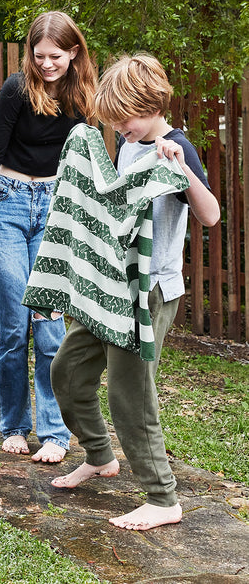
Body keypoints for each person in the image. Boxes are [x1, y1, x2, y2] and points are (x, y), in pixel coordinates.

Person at [49, 53, 220, 530]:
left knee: (130, 391)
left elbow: (210, 216)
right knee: (67, 372)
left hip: (151, 291)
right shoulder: (127, 144)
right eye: (113, 120)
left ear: (151, 104)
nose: (119, 127)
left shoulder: (174, 146)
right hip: (110, 284)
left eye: (124, 118)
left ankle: (163, 499)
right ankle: (100, 456)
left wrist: (182, 169)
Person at [0, 11, 95, 463]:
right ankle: (15, 426)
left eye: (55, 56)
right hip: (6, 205)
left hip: (53, 208)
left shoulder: (83, 97)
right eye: (39, 56)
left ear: (73, 52)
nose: (47, 64)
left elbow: (90, 163)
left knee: (50, 327)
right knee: (14, 326)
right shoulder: (17, 90)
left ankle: (55, 433)